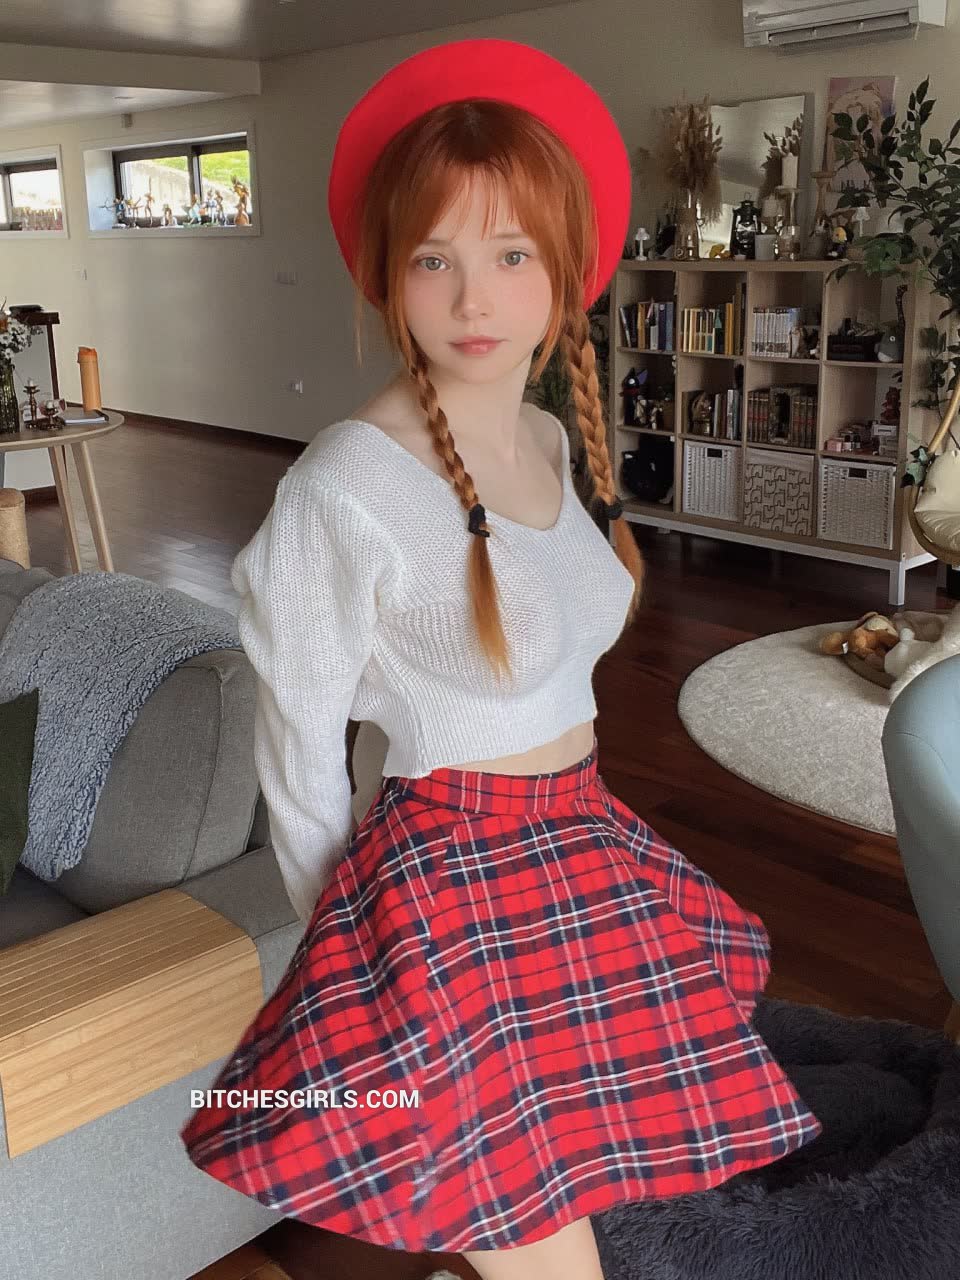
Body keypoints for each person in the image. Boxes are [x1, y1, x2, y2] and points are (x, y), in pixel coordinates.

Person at [179, 37, 823, 1279]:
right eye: (436, 258)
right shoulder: (342, 487)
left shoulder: (544, 436)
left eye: (512, 254)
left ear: (566, 266)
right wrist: (355, 967)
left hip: (573, 838)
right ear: (389, 274)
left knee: (563, 1169)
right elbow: (299, 745)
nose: (475, 300)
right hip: (448, 892)